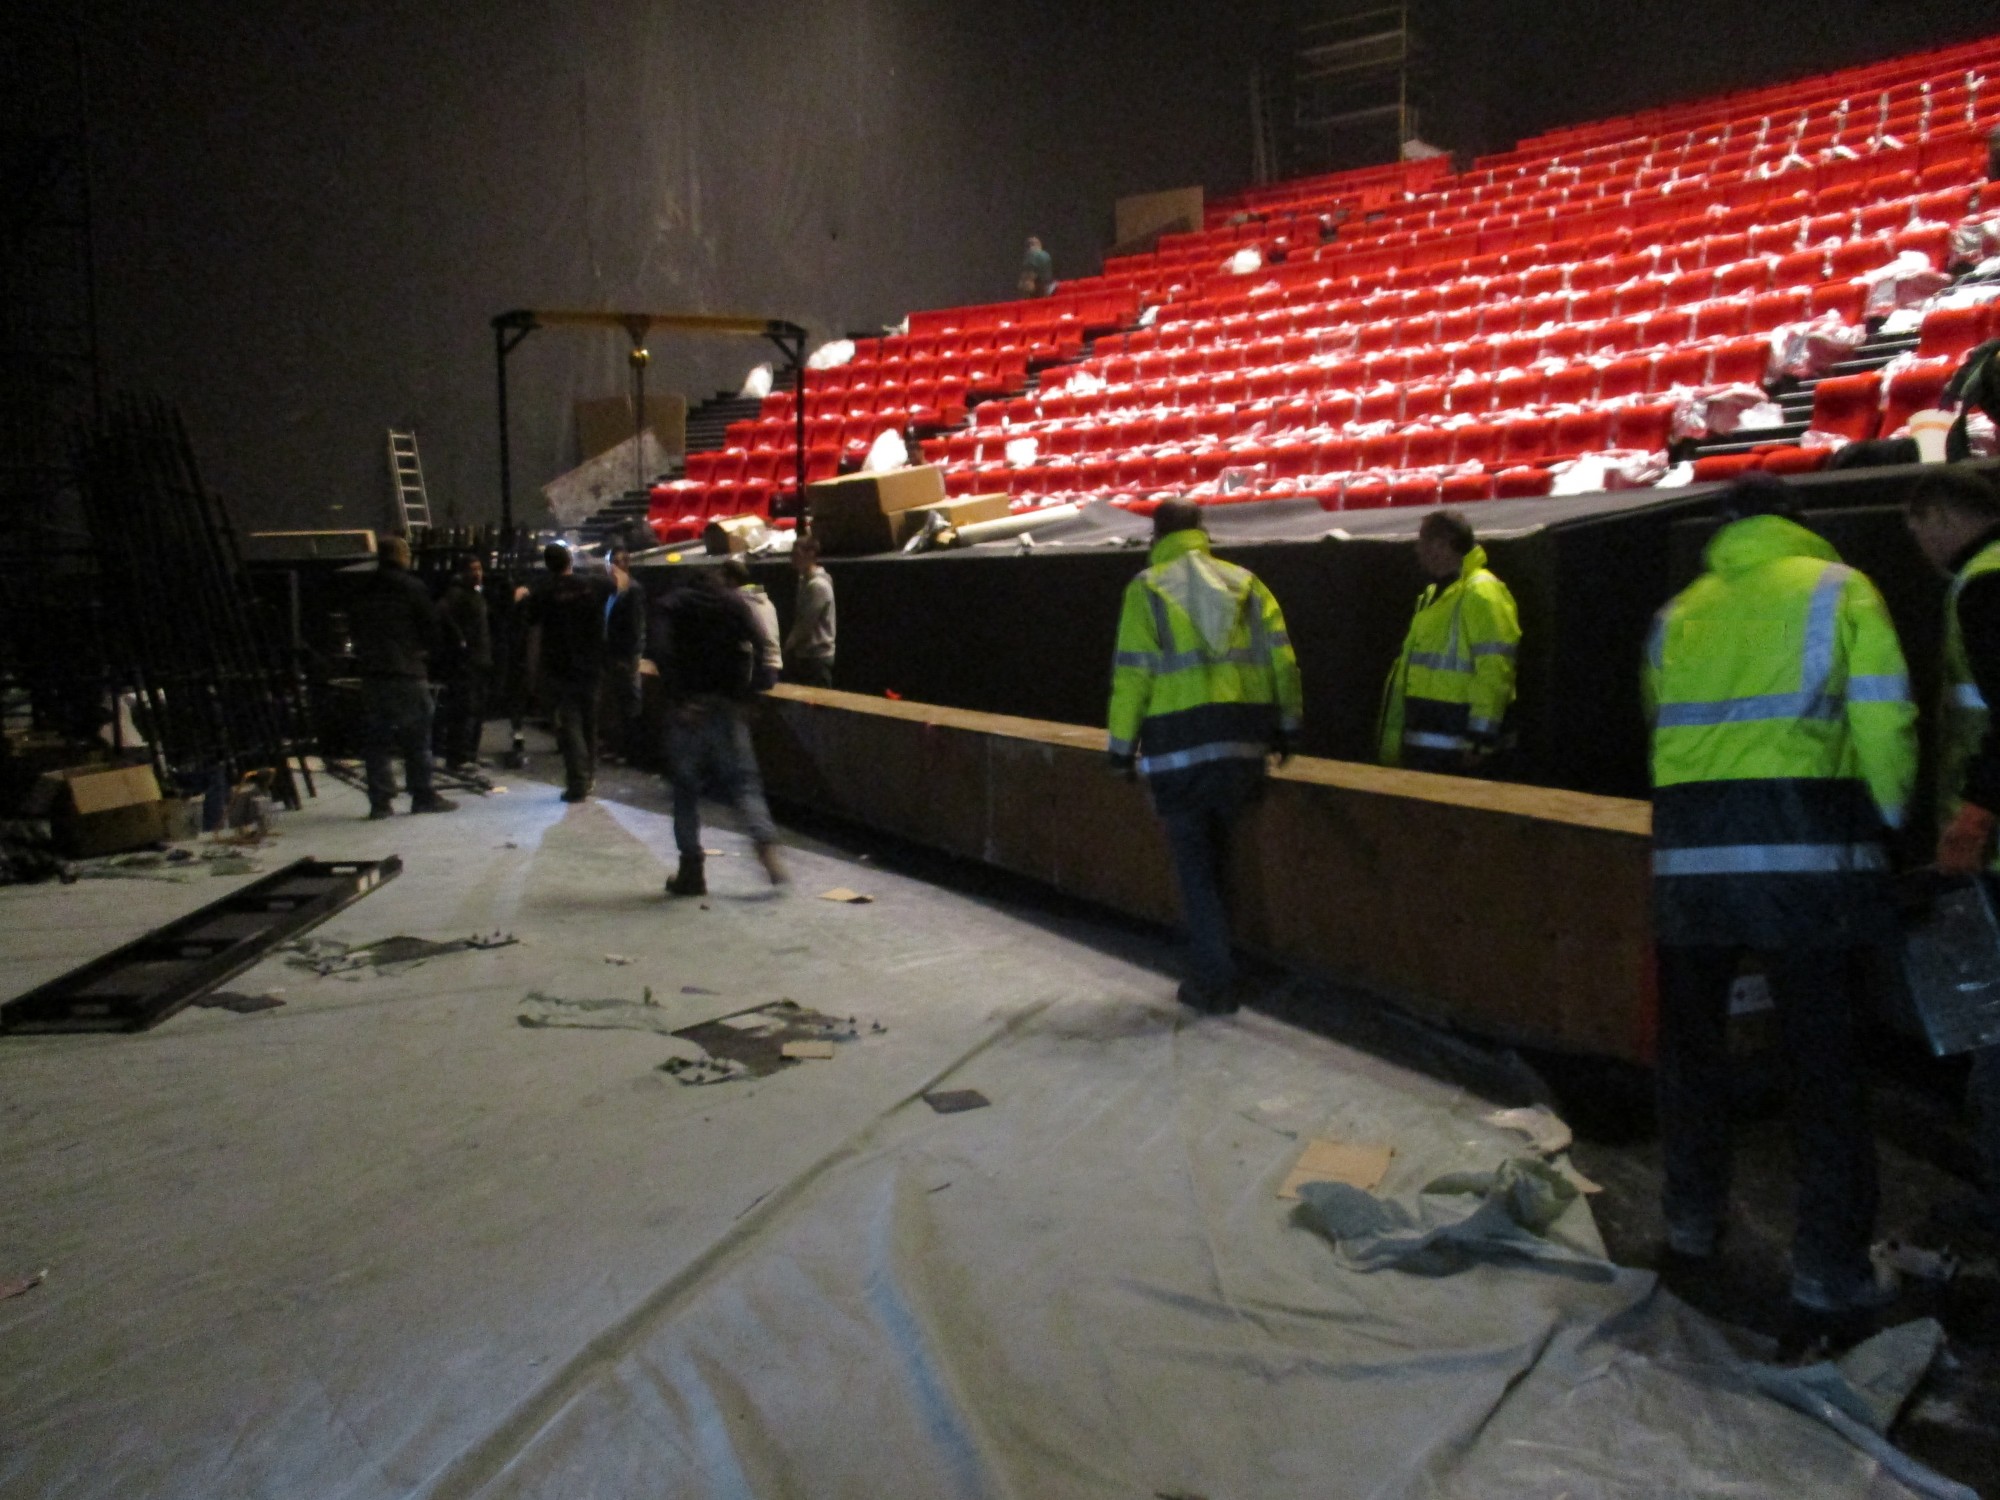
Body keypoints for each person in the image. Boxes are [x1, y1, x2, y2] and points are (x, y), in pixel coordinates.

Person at [1644, 472, 1915, 1337]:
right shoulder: (1841, 590)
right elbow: (1885, 722)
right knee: (1823, 1070)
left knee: (1693, 1055)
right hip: (1808, 870)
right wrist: (1893, 823)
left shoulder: (1677, 613)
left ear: (1724, 527)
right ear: (1797, 521)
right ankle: (1828, 1274)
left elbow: (1660, 727)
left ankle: (1690, 1223)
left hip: (1690, 870)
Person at [1106, 499, 1302, 1015]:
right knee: (1228, 858)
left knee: (1195, 865)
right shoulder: (1247, 584)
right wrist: (1288, 725)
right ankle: (1232, 963)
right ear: (1202, 531)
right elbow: (1282, 661)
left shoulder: (1147, 589)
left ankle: (1214, 981)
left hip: (1178, 749)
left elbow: (1133, 675)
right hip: (1241, 744)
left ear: (1156, 536)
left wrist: (1121, 748)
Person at [1904, 466, 2000, 1235]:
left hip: (1996, 851)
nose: (1921, 549)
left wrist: (1973, 817)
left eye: (1918, 531)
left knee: (1993, 1031)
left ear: (1939, 515)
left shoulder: (1984, 585)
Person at [647, 567, 788, 896]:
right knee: (744, 783)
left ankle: (691, 870)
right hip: (728, 705)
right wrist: (749, 696)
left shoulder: (671, 605)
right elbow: (762, 645)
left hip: (689, 708)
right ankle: (764, 843)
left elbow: (661, 651)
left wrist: (680, 697)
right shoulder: (735, 604)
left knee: (685, 790)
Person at [1378, 510, 1521, 774]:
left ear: (1441, 545)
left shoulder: (1482, 593)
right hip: (1429, 748)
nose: (1417, 549)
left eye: (1422, 541)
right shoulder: (1433, 595)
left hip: (1461, 752)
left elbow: (1494, 671)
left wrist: (1480, 738)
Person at [347, 535, 456, 819]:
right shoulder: (412, 587)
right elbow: (430, 627)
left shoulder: (364, 588)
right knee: (417, 738)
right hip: (406, 670)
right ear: (402, 556)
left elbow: (354, 627)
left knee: (377, 741)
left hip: (373, 673)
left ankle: (380, 802)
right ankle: (422, 795)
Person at [519, 542, 613, 802]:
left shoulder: (543, 593)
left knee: (569, 724)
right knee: (590, 722)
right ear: (570, 560)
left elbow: (532, 627)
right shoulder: (593, 585)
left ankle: (577, 780)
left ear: (548, 565)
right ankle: (590, 775)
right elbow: (618, 584)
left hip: (559, 666)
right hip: (592, 663)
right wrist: (592, 564)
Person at [437, 556, 491, 771]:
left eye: (479, 568)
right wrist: (460, 641)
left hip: (479, 659)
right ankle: (458, 756)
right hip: (467, 662)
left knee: (476, 708)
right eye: (473, 569)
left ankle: (470, 753)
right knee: (464, 708)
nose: (478, 573)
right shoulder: (457, 594)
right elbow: (442, 613)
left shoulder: (475, 594)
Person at [600, 548, 647, 764]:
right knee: (615, 702)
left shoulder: (633, 591)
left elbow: (635, 627)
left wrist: (630, 656)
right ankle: (615, 745)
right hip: (611, 653)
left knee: (629, 701)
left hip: (625, 655)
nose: (613, 567)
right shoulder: (612, 590)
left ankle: (629, 749)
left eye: (617, 562)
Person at [722, 554, 782, 691]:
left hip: (757, 671)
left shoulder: (737, 601)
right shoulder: (763, 598)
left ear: (732, 580)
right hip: (773, 668)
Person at [784, 534, 836, 687]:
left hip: (816, 657)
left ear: (811, 554)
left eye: (796, 554)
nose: (792, 559)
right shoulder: (803, 581)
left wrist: (787, 647)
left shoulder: (817, 585)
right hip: (805, 655)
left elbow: (805, 625)